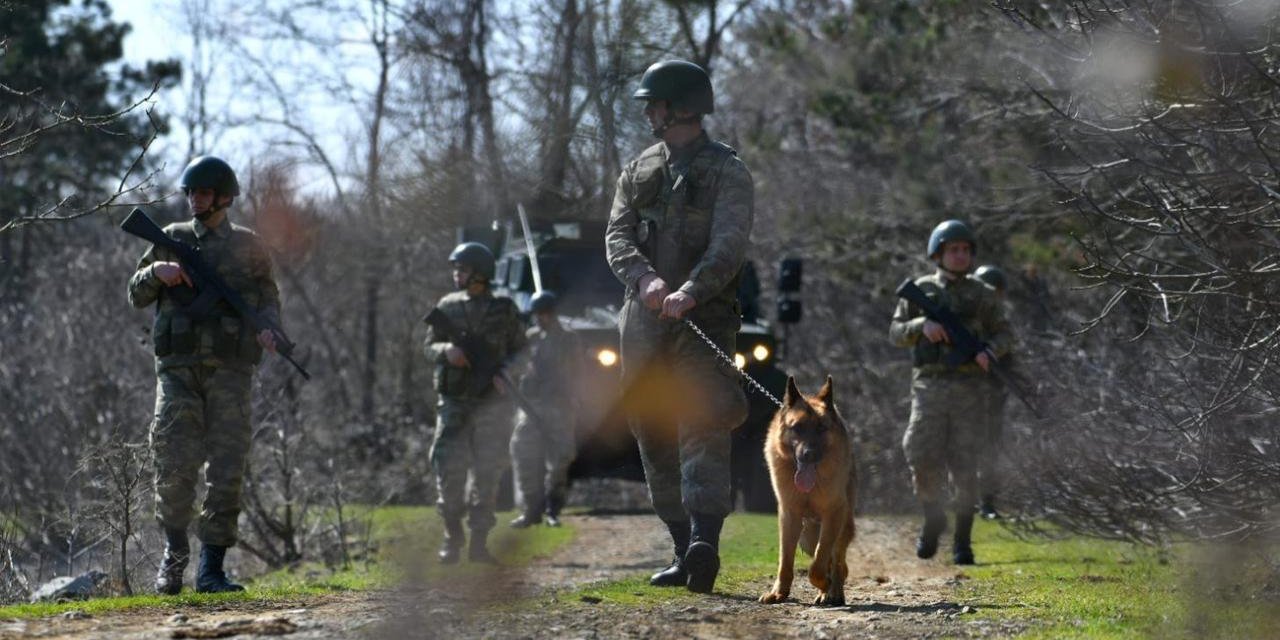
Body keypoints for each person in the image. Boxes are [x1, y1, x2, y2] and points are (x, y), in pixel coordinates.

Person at [604, 58, 753, 594]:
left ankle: (705, 544)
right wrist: (644, 279)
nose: (648, 112)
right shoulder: (639, 169)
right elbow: (617, 235)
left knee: (703, 423)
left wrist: (692, 290)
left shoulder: (727, 171)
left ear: (681, 107)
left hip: (704, 320)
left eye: (656, 103)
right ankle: (679, 548)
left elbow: (729, 245)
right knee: (651, 429)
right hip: (643, 324)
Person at [127, 155, 281, 594]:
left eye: (204, 193)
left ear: (225, 197)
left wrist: (271, 332)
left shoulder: (251, 247)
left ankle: (211, 569)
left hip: (232, 373)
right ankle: (173, 560)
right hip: (177, 373)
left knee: (228, 468)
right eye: (191, 192)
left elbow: (269, 302)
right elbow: (135, 294)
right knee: (173, 464)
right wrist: (157, 272)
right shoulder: (170, 239)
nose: (195, 200)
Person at [889, 219, 1010, 566]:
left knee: (965, 464)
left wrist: (990, 351)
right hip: (929, 385)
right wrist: (921, 327)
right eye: (953, 250)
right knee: (920, 453)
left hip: (970, 388)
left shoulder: (983, 294)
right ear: (938, 254)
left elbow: (1006, 333)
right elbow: (895, 332)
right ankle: (932, 517)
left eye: (965, 250)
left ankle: (962, 542)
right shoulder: (922, 290)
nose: (960, 256)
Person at [423, 242, 526, 564]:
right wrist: (446, 352)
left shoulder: (504, 309)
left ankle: (479, 543)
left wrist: (507, 373)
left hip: (492, 406)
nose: (457, 274)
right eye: (456, 269)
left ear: (480, 273)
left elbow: (522, 350)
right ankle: (452, 537)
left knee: (488, 474)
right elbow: (428, 346)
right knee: (447, 471)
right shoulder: (448, 306)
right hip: (453, 402)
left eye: (463, 269)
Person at [509, 291, 582, 529]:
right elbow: (518, 364)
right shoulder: (530, 337)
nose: (541, 318)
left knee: (560, 460)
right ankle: (531, 509)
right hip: (532, 406)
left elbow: (575, 370)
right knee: (522, 451)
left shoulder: (568, 339)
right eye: (538, 314)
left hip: (560, 406)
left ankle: (553, 508)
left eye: (545, 313)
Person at [972, 264, 1010, 520]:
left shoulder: (1000, 325)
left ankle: (987, 501)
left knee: (990, 449)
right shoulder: (967, 320)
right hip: (962, 393)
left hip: (992, 394)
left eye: (996, 292)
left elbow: (1009, 351)